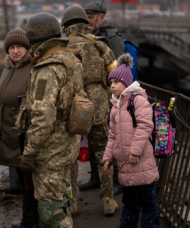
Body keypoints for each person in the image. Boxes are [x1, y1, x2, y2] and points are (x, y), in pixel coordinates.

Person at [17, 12, 83, 228]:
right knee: (62, 201)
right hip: (68, 145)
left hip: (50, 151)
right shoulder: (70, 59)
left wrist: (30, 151)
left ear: (35, 39)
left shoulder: (47, 69)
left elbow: (43, 115)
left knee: (50, 213)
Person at [61, 5, 118, 215]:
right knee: (103, 150)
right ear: (86, 24)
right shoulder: (100, 45)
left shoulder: (61, 47)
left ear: (66, 26)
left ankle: (72, 201)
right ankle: (108, 200)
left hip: (74, 106)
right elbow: (115, 74)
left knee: (72, 153)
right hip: (99, 105)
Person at [103, 53, 160, 228]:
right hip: (126, 167)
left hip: (141, 163)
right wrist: (108, 157)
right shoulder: (116, 108)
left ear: (126, 83)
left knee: (148, 205)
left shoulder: (138, 101)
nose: (112, 86)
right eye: (110, 83)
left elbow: (145, 127)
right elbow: (112, 135)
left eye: (116, 83)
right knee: (129, 204)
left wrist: (135, 151)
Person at [0, 29, 39, 228]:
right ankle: (30, 219)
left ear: (27, 48)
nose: (15, 50)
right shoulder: (7, 69)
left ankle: (32, 220)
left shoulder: (32, 68)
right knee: (24, 180)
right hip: (8, 133)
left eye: (19, 46)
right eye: (11, 47)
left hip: (23, 135)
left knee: (30, 180)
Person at [81, 0, 126, 196]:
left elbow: (119, 70)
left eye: (92, 17)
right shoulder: (85, 37)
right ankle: (96, 178)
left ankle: (117, 180)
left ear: (102, 17)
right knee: (92, 138)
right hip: (89, 99)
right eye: (86, 17)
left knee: (111, 139)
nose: (89, 21)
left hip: (109, 98)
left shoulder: (112, 38)